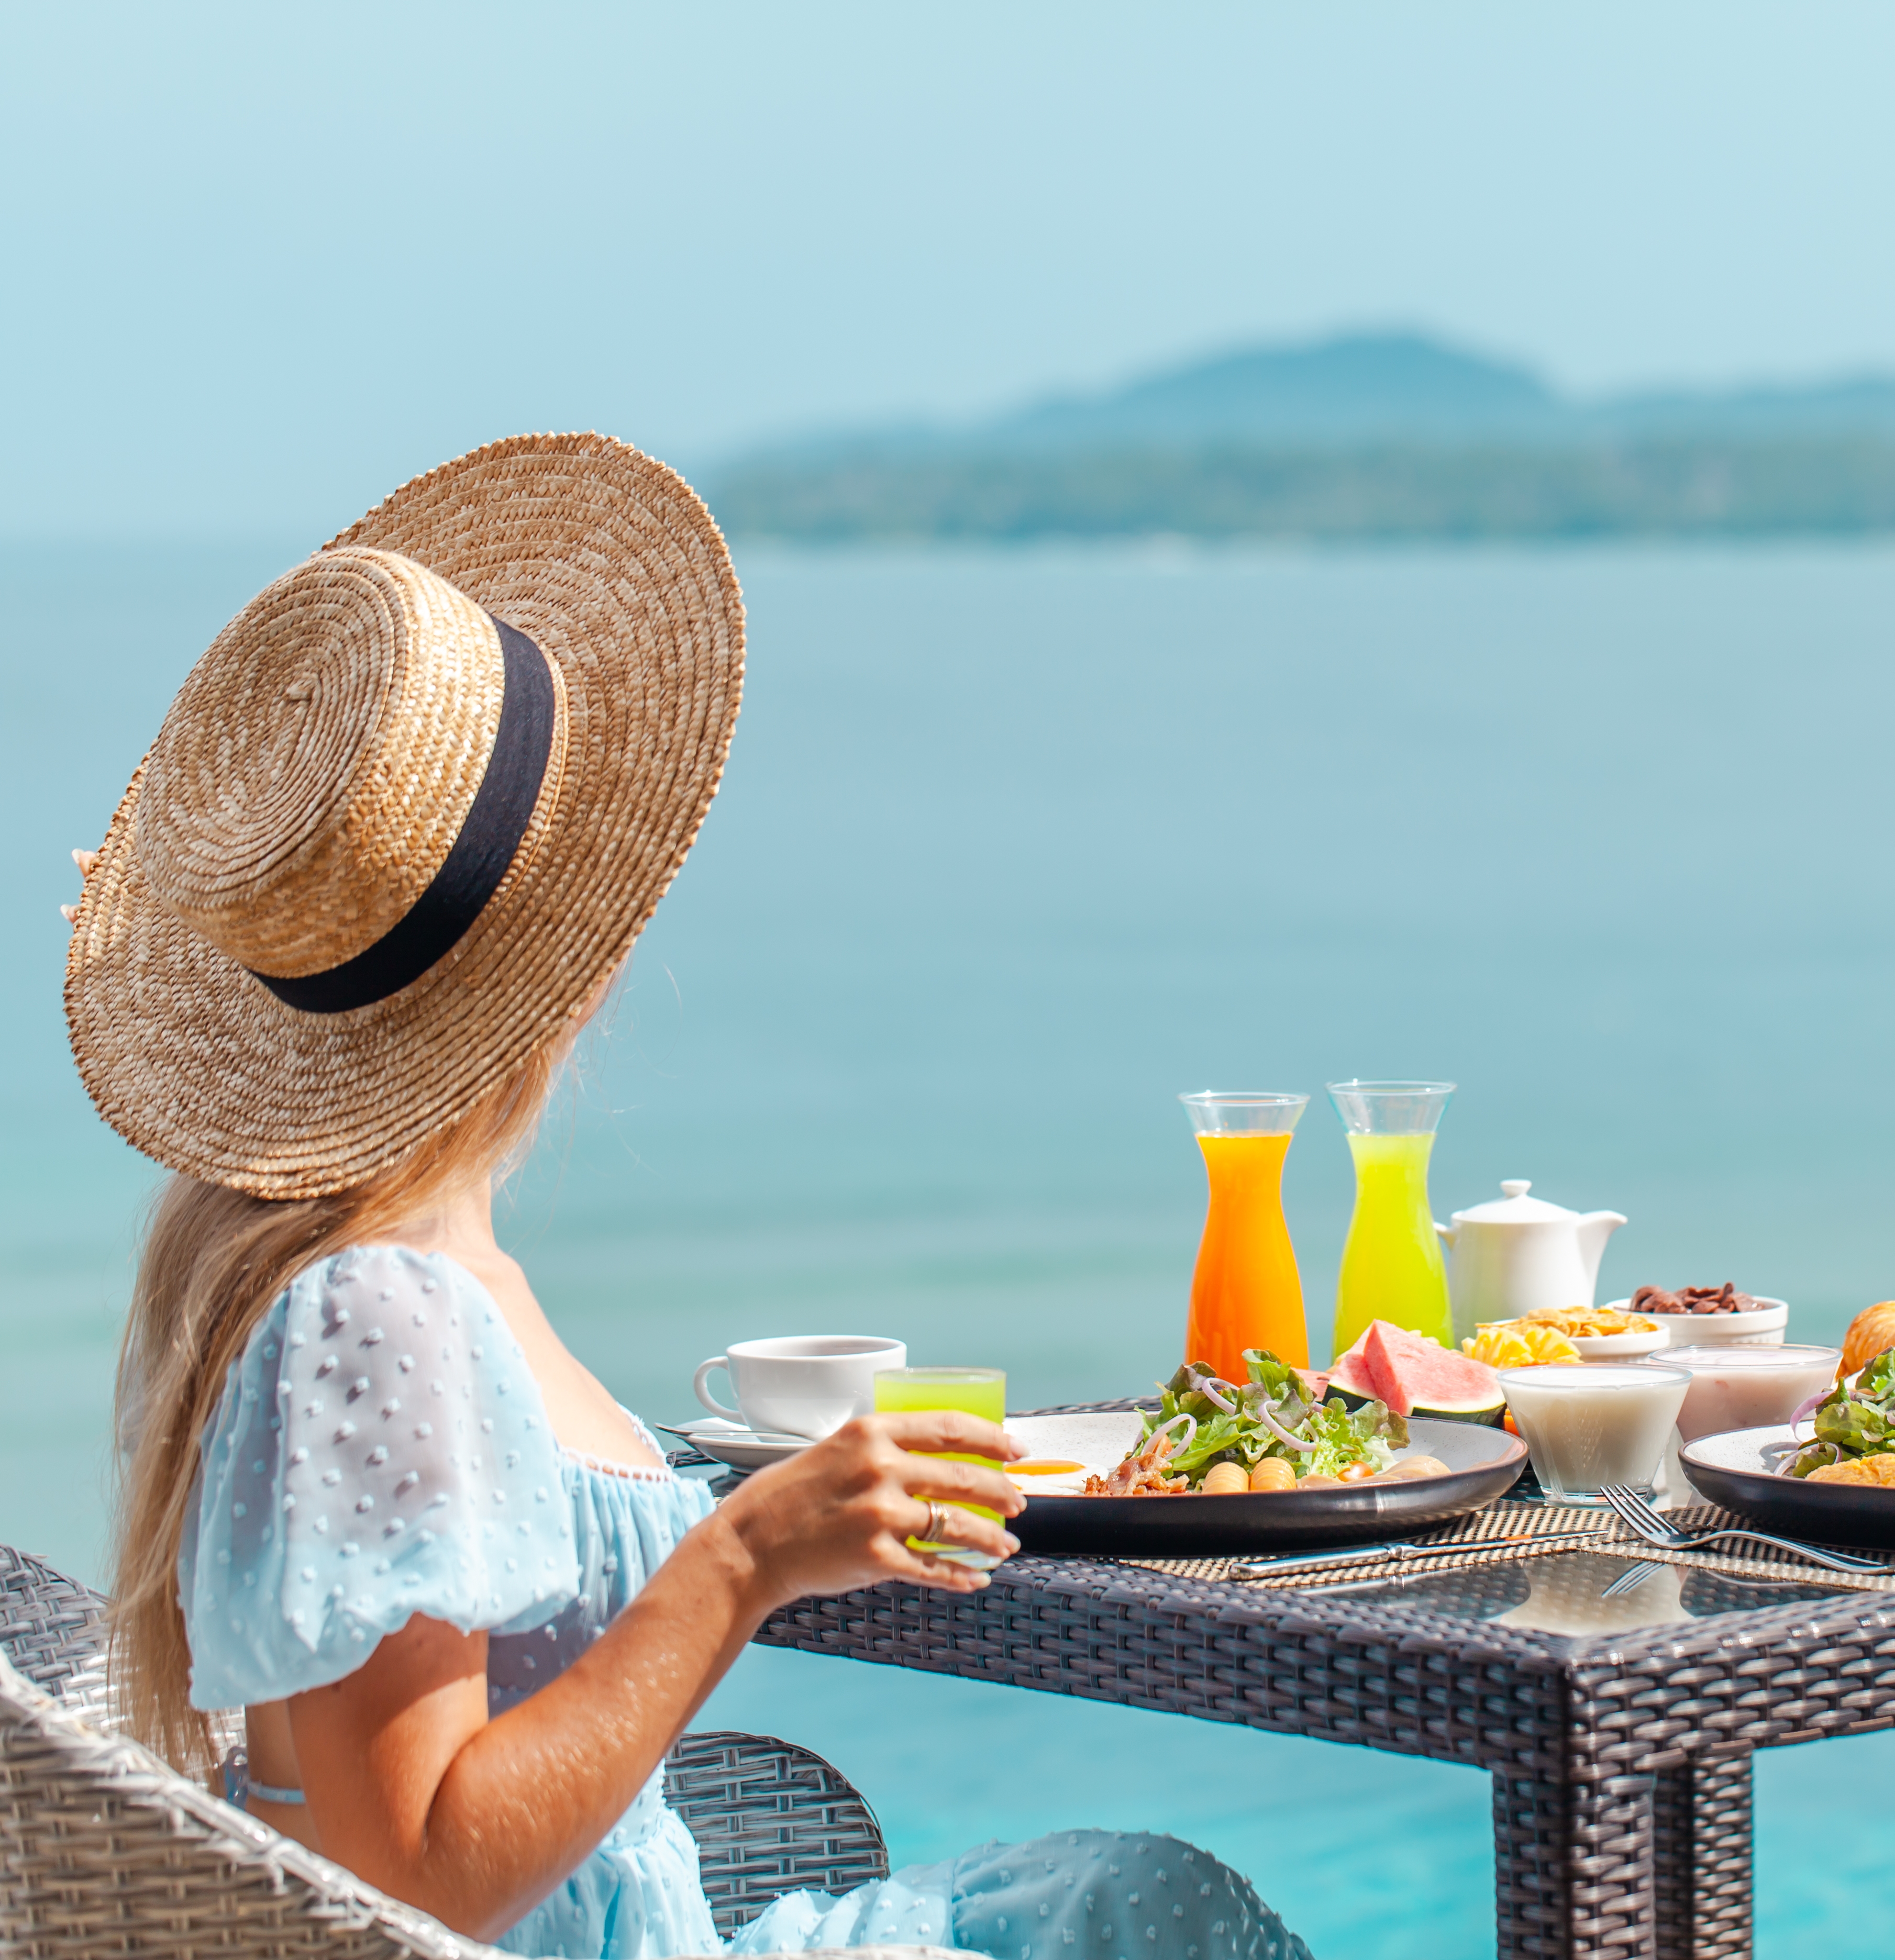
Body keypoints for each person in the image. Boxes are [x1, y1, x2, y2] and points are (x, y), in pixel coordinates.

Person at [61, 435, 1311, 1960]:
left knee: (1117, 1893)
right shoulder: (372, 1311)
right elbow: (415, 1887)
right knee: (1144, 1913)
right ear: (574, 949)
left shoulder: (379, 1269)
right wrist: (745, 1558)